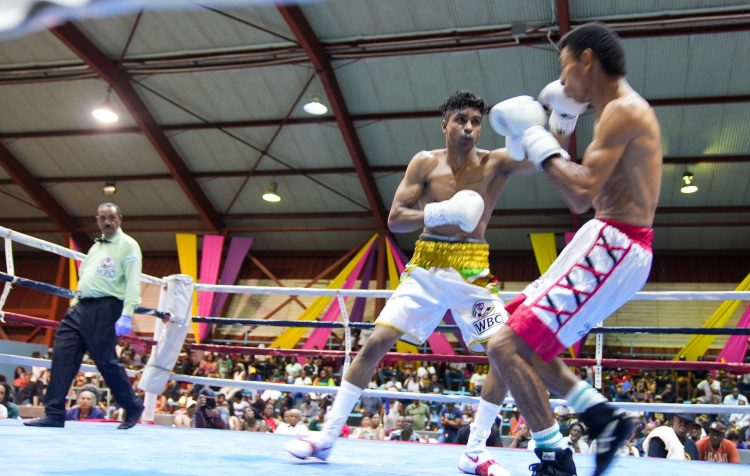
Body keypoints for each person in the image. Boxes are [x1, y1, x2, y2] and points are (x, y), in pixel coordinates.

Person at [284, 90, 535, 475]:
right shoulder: (424, 163)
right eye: (461, 120)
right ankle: (326, 438)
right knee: (376, 341)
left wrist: (547, 124)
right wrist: (440, 212)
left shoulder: (495, 162)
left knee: (502, 353)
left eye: (475, 122)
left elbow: (538, 160)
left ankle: (474, 451)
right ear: (445, 124)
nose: (469, 128)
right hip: (427, 264)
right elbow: (396, 217)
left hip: (473, 270)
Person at [485, 22, 662, 476]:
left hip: (616, 242)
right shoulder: (611, 112)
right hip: (606, 239)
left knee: (506, 346)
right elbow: (560, 178)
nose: (561, 84)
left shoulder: (623, 110)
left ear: (587, 61)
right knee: (519, 338)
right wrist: (551, 132)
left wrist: (541, 139)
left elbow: (579, 194)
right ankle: (602, 418)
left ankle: (556, 457)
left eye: (565, 70)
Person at [24, 203, 145, 430]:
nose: (107, 222)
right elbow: (85, 279)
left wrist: (127, 313)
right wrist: (75, 304)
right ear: (97, 220)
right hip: (80, 307)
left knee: (105, 360)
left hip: (106, 306)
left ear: (120, 218)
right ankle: (54, 413)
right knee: (62, 355)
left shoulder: (128, 245)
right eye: (102, 218)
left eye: (111, 218)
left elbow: (133, 282)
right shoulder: (96, 247)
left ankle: (133, 405)